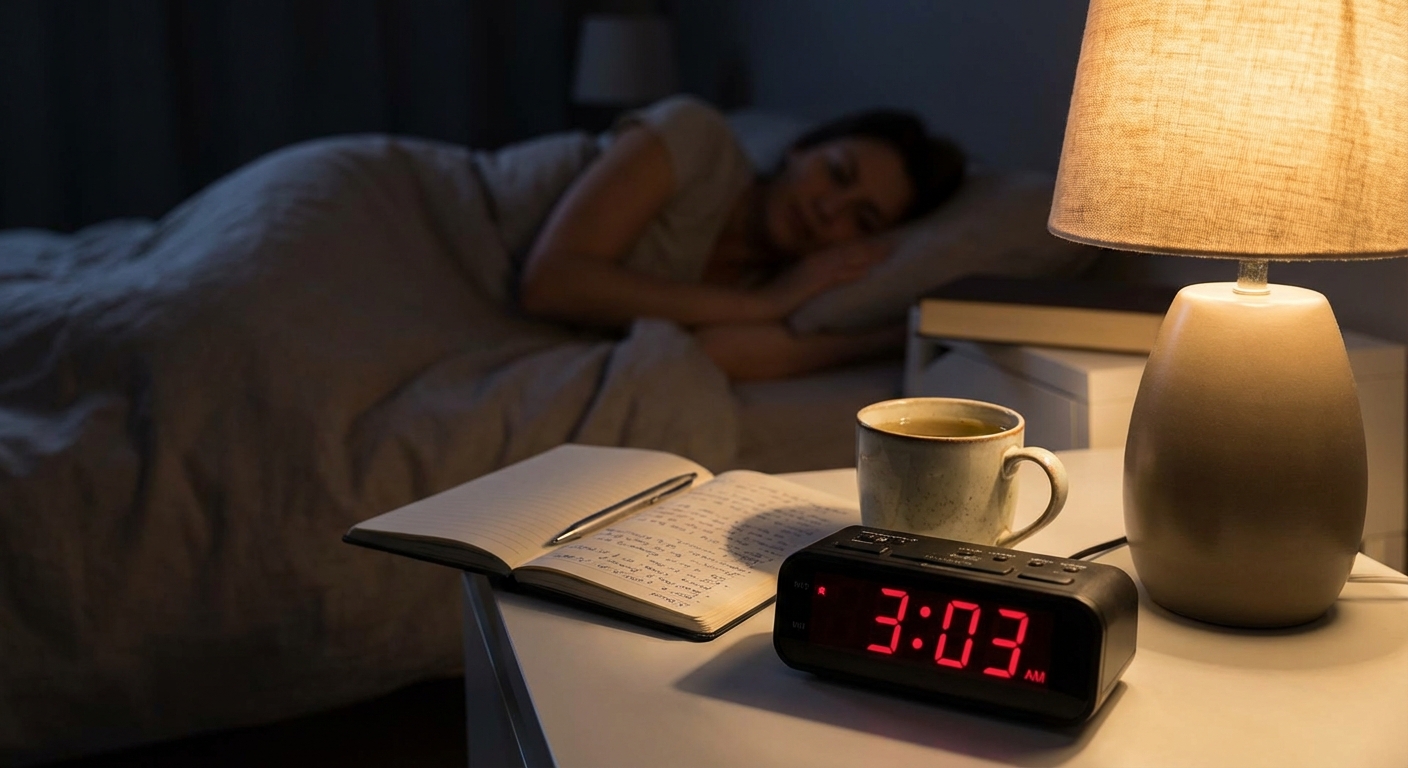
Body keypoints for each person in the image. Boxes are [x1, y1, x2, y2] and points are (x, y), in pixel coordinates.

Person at [519, 96, 966, 381]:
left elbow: (714, 355)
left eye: (862, 219)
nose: (829, 209)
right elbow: (551, 282)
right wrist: (764, 305)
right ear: (799, 149)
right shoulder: (698, 138)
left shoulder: (772, 282)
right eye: (836, 173)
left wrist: (893, 338)